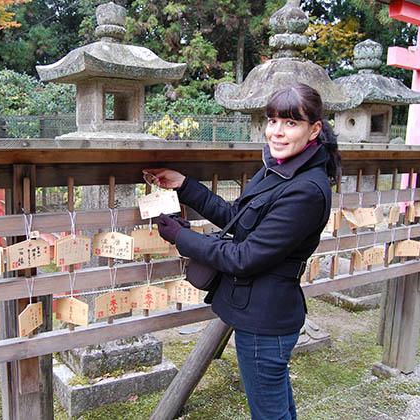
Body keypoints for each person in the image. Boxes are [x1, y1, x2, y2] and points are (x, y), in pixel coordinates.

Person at [144, 83, 341, 420]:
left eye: (291, 123)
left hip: (265, 320)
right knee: (277, 408)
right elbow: (237, 217)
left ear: (314, 129)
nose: (277, 132)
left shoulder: (306, 189)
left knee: (269, 413)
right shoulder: (282, 168)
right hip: (262, 311)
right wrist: (185, 185)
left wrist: (182, 237)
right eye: (273, 121)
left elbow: (244, 256)